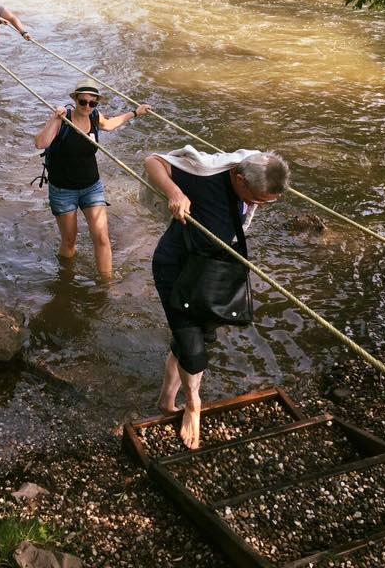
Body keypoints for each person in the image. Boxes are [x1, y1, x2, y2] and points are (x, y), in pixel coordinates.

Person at [145, 145, 290, 450]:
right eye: (255, 201)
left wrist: (256, 200)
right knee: (193, 347)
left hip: (211, 270)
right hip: (176, 265)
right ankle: (193, 405)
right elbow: (153, 161)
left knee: (200, 337)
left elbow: (262, 181)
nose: (257, 207)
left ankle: (165, 400)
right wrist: (175, 192)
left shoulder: (252, 173)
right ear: (239, 178)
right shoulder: (204, 174)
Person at [34, 79, 151, 280]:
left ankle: (106, 285)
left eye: (92, 103)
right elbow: (40, 142)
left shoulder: (95, 117)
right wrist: (54, 118)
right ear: (75, 100)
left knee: (102, 238)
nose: (87, 106)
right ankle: (66, 282)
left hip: (92, 187)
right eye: (83, 102)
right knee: (69, 242)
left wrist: (134, 112)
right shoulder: (63, 120)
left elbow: (111, 124)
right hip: (63, 190)